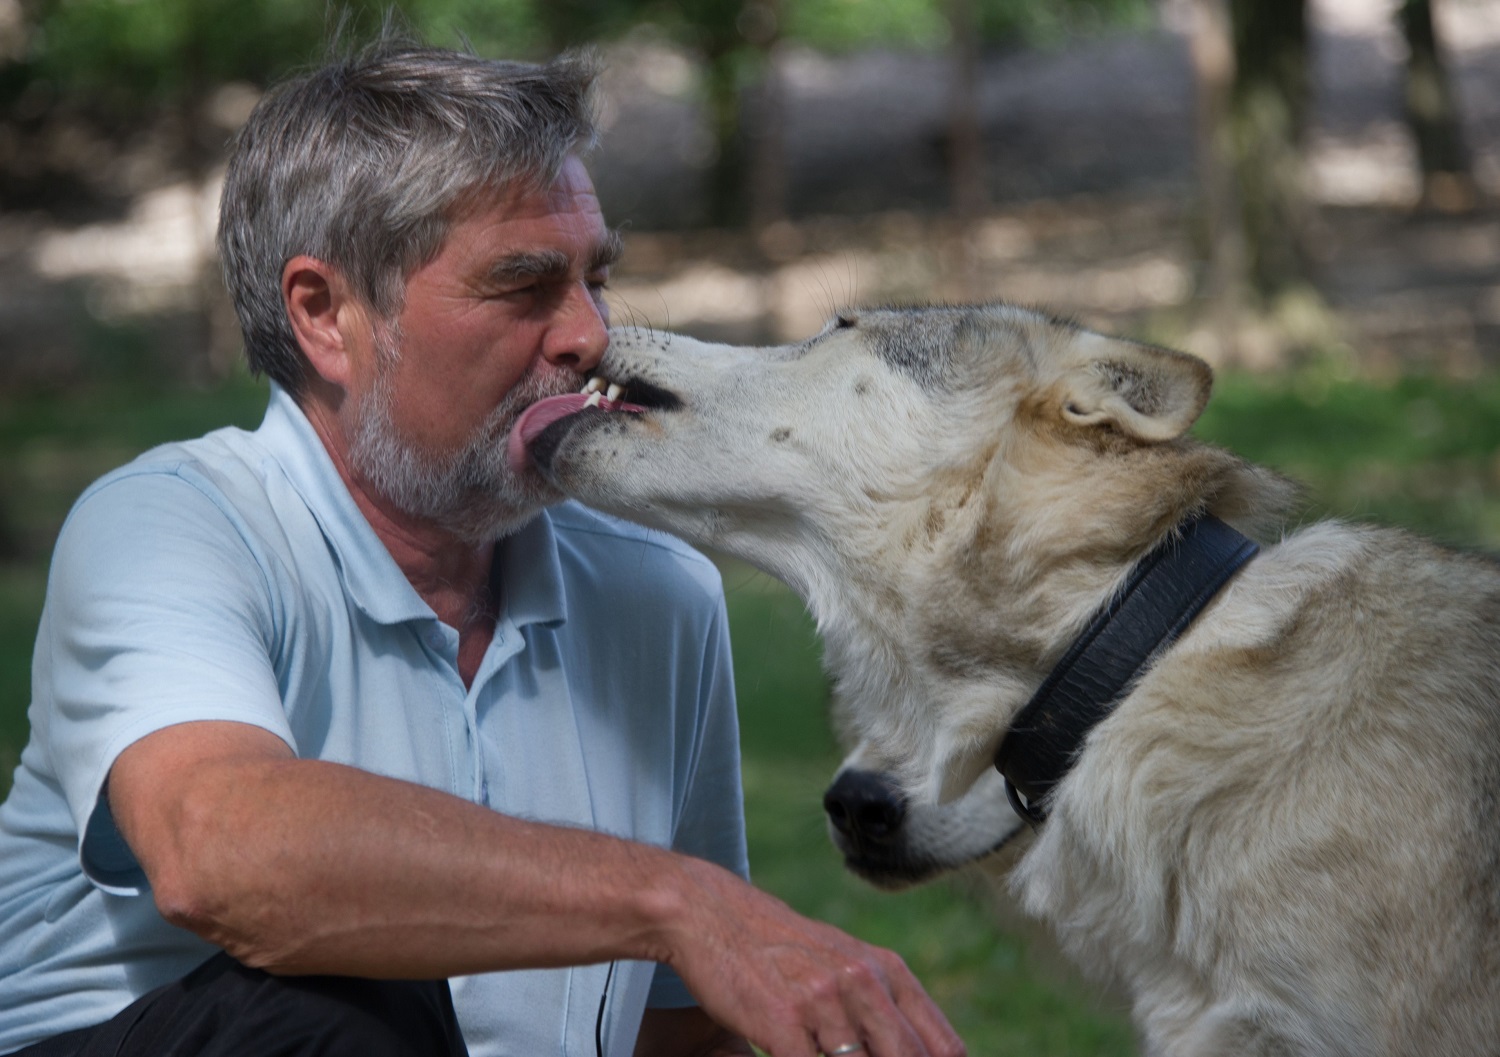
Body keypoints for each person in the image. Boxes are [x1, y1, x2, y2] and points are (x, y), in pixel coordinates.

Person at [0, 37, 966, 1057]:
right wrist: (678, 898)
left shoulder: (661, 594)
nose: (589, 334)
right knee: (339, 1010)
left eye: (598, 279)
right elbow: (217, 852)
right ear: (325, 315)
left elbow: (676, 1030)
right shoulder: (172, 524)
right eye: (523, 287)